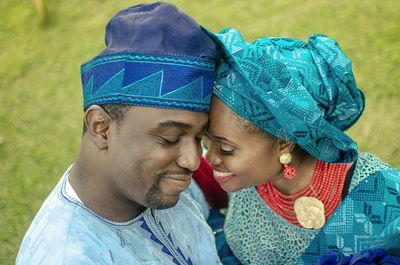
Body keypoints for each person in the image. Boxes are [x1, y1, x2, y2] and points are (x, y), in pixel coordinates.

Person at [16, 3, 223, 264]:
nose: (193, 160)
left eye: (198, 137)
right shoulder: (69, 256)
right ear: (100, 127)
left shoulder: (157, 182)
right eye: (170, 138)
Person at [202, 28, 400, 264]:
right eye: (205, 141)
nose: (208, 157)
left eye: (226, 149)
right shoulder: (246, 186)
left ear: (285, 141)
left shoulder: (383, 197)